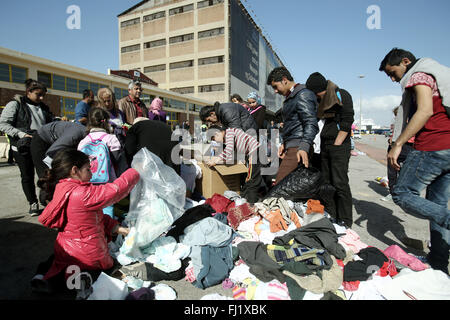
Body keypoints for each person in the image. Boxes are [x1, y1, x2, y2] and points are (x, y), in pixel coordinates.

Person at [379, 47, 450, 274]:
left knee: (401, 193)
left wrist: (398, 143)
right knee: (437, 205)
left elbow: (425, 111)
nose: (392, 78)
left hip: (432, 146)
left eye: (393, 72)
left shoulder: (419, 74)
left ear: (406, 62)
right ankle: (438, 262)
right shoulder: (439, 73)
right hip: (447, 148)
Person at [34, 149, 139, 293]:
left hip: (66, 249)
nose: (92, 173)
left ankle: (43, 278)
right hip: (88, 252)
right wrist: (135, 171)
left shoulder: (62, 188)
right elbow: (115, 190)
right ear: (74, 170)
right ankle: (80, 283)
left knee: (55, 263)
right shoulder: (81, 193)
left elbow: (92, 217)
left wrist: (118, 228)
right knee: (105, 270)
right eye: (88, 169)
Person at [305, 72, 355, 228]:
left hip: (338, 146)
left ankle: (345, 220)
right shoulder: (320, 101)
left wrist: (337, 144)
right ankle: (332, 215)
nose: (316, 96)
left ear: (322, 89)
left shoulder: (341, 95)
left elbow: (347, 121)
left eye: (317, 93)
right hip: (325, 146)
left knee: (340, 182)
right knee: (326, 182)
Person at [0, 79, 54, 216]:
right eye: (38, 94)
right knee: (27, 175)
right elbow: (3, 124)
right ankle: (32, 202)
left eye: (43, 95)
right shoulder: (15, 105)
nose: (41, 98)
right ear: (28, 92)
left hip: (41, 147)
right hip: (22, 147)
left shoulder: (44, 108)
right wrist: (21, 134)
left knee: (46, 175)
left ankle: (47, 200)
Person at [266, 67, 319, 185]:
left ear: (284, 80)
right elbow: (293, 123)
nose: (275, 91)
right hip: (294, 146)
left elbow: (311, 123)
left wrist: (304, 146)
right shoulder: (292, 96)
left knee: (279, 189)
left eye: (275, 86)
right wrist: (285, 143)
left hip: (298, 147)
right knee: (290, 188)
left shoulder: (302, 94)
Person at [78, 107, 129, 218]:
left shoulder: (83, 141)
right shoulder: (111, 139)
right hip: (107, 181)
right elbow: (118, 161)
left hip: (88, 181)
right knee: (107, 207)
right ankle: (107, 230)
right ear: (105, 122)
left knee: (91, 208)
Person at [30, 120, 86, 205]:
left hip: (57, 144)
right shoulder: (74, 136)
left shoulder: (84, 138)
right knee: (47, 176)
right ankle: (48, 204)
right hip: (42, 142)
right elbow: (51, 153)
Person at [206, 125, 262, 204]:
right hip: (251, 153)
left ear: (217, 133)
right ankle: (246, 198)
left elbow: (229, 150)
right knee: (252, 177)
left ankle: (251, 202)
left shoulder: (229, 133)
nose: (216, 142)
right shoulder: (228, 136)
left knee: (251, 179)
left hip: (254, 151)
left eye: (214, 139)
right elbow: (232, 152)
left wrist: (216, 160)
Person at [381, 106, 414, 202]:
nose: (396, 118)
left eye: (398, 116)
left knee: (405, 172)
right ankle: (392, 193)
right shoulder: (394, 124)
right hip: (393, 147)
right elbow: (391, 135)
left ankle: (404, 193)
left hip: (406, 147)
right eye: (396, 116)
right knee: (392, 172)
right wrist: (390, 140)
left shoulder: (412, 123)